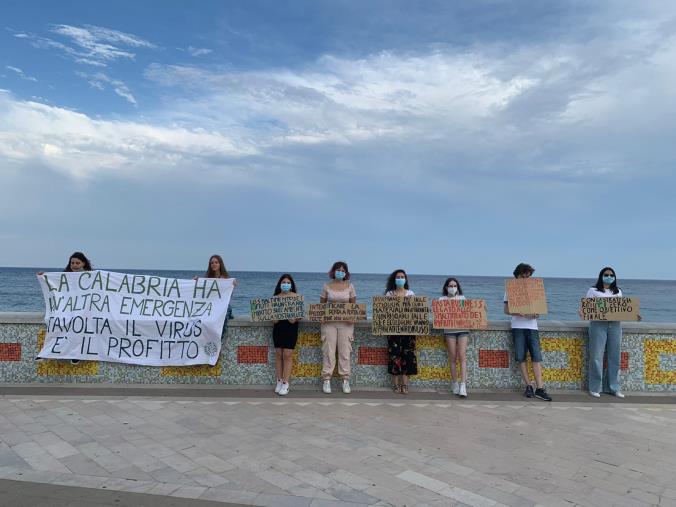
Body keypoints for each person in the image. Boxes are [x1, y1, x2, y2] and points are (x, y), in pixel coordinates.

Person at [584, 267, 640, 399]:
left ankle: (613, 388)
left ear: (614, 277)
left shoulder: (618, 291)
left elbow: (623, 309)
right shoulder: (593, 290)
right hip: (598, 324)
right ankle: (595, 387)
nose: (609, 276)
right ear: (601, 276)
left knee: (614, 356)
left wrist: (634, 315)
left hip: (615, 325)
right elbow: (586, 307)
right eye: (606, 274)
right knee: (597, 356)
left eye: (611, 275)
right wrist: (582, 312)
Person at [503, 263, 552, 401]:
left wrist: (536, 314)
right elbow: (506, 310)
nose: (526, 278)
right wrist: (520, 313)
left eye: (528, 276)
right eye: (523, 276)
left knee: (536, 357)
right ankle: (528, 386)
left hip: (532, 326)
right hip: (518, 326)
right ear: (517, 275)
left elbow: (539, 308)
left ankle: (540, 388)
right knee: (521, 357)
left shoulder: (534, 289)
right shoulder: (510, 289)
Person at [37, 252, 93, 364]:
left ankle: (76, 355)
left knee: (79, 331)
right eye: (72, 263)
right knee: (56, 326)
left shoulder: (91, 276)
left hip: (83, 311)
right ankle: (46, 352)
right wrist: (44, 277)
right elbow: (54, 286)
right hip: (67, 309)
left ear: (83, 263)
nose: (75, 265)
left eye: (77, 263)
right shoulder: (64, 276)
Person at [320, 261, 357, 394]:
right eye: (338, 269)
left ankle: (345, 380)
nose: (340, 272)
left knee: (345, 352)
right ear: (333, 271)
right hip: (329, 324)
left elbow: (354, 307)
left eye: (342, 270)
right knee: (328, 351)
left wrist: (352, 317)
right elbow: (321, 306)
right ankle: (326, 380)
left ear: (346, 273)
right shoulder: (326, 286)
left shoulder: (350, 286)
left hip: (346, 324)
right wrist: (322, 316)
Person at [385, 269, 417, 394]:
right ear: (394, 279)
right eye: (398, 277)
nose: (400, 279)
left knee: (408, 357)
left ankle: (405, 385)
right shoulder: (389, 294)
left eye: (402, 277)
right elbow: (384, 313)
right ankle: (396, 385)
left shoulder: (411, 293)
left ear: (405, 279)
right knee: (394, 357)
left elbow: (416, 312)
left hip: (408, 332)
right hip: (393, 332)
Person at [439, 277, 469, 398]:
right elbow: (438, 314)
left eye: (454, 286)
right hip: (449, 331)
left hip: (463, 330)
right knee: (452, 356)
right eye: (450, 286)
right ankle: (455, 383)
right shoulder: (442, 300)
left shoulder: (462, 299)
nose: (453, 288)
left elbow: (468, 313)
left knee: (462, 356)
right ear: (446, 287)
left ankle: (463, 385)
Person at [271, 274, 300, 396]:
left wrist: (293, 318)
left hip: (291, 328)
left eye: (288, 283)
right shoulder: (275, 298)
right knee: (278, 354)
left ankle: (286, 382)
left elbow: (300, 315)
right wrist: (275, 318)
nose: (286, 284)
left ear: (291, 285)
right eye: (284, 282)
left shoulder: (297, 297)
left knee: (287, 354)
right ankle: (278, 380)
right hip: (278, 328)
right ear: (280, 284)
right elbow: (271, 316)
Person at [198, 255, 235, 337]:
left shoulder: (226, 278)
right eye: (212, 263)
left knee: (221, 320)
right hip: (211, 306)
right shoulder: (208, 278)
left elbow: (228, 296)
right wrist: (196, 282)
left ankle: (218, 342)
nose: (214, 264)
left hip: (223, 307)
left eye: (216, 262)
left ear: (220, 264)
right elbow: (202, 292)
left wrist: (232, 285)